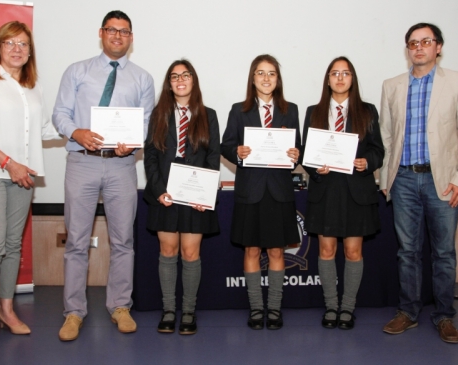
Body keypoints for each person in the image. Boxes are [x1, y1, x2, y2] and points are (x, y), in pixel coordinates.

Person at [52, 10, 155, 340]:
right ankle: (73, 312)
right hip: (82, 162)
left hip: (122, 166)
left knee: (124, 241)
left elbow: (146, 124)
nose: (118, 36)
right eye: (112, 30)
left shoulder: (142, 78)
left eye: (124, 32)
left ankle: (120, 307)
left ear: (131, 37)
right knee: (76, 243)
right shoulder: (77, 71)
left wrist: (132, 145)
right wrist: (76, 132)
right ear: (101, 33)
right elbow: (59, 114)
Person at [0, 21, 59, 357]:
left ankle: (6, 310)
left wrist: (80, 131)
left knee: (13, 245)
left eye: (23, 43)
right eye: (10, 42)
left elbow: (46, 129)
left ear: (30, 52)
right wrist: (10, 164)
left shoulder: (34, 87)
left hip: (23, 177)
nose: (17, 48)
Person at [379, 23, 458, 343]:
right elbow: (387, 135)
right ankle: (408, 312)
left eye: (426, 42)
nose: (418, 47)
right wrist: (385, 177)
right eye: (412, 43)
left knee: (444, 253)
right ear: (407, 50)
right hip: (404, 179)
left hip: (444, 182)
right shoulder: (391, 85)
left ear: (438, 47)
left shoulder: (457, 81)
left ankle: (445, 316)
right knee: (407, 252)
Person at [301, 56, 384, 330]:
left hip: (356, 193)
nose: (340, 78)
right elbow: (306, 153)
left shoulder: (367, 110)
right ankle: (331, 306)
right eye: (334, 73)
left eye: (345, 73)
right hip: (325, 191)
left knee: (352, 251)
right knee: (326, 250)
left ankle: (347, 308)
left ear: (352, 78)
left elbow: (377, 150)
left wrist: (367, 163)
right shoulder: (314, 111)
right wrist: (315, 170)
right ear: (327, 79)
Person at [220, 54, 301, 330]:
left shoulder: (291, 110)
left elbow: (297, 149)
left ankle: (275, 309)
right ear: (252, 78)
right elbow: (226, 145)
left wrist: (294, 154)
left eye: (271, 74)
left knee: (277, 251)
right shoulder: (238, 110)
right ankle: (256, 309)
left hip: (279, 191)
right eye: (260, 73)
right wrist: (237, 152)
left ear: (278, 80)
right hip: (250, 191)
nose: (266, 78)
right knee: (252, 249)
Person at [143, 59, 220, 335]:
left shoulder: (208, 115)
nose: (180, 80)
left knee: (190, 253)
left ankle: (188, 311)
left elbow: (212, 159)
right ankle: (167, 310)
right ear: (169, 83)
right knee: (167, 251)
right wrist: (158, 190)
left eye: (185, 75)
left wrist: (206, 193)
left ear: (193, 80)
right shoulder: (158, 114)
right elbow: (150, 156)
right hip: (165, 194)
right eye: (174, 76)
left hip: (195, 198)